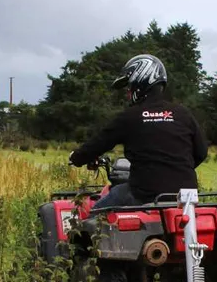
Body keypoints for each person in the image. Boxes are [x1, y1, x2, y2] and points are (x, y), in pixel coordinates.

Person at [68, 53, 208, 209]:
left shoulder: (130, 116)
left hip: (144, 194)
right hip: (186, 197)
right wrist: (173, 170)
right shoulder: (183, 113)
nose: (128, 93)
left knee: (95, 214)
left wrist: (77, 157)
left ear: (140, 83)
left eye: (129, 87)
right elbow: (201, 152)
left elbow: (99, 143)